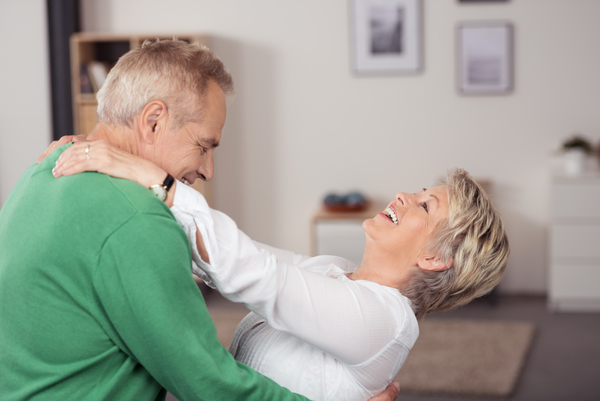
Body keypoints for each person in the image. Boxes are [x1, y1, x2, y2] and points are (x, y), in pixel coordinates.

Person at [0, 39, 401, 401]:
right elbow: (209, 383)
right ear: (153, 121)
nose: (208, 170)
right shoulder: (137, 219)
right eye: (203, 146)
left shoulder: (46, 169)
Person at [48, 136, 510, 400]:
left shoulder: (386, 323)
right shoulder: (336, 270)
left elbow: (253, 274)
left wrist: (151, 176)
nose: (406, 196)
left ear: (434, 258)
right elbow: (234, 257)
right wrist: (112, 174)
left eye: (425, 206)